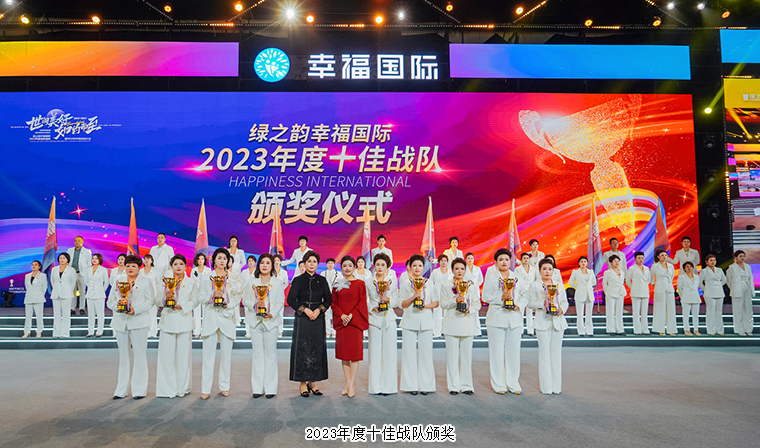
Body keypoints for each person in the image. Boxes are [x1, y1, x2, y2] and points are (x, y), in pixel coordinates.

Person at [198, 248, 243, 399]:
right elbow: (200, 297)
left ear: (228, 261)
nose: (222, 261)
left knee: (226, 356)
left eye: (224, 258)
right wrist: (212, 297)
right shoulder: (206, 277)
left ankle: (224, 386)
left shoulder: (234, 278)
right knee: (207, 357)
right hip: (211, 318)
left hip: (227, 318)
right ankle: (205, 389)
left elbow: (237, 298)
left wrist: (228, 304)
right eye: (219, 258)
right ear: (214, 260)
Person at [107, 255, 152, 399]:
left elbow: (150, 301)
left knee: (139, 356)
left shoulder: (146, 281)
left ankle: (139, 390)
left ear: (139, 268)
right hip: (121, 322)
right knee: (123, 356)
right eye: (128, 265)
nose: (130, 268)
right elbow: (110, 301)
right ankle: (121, 390)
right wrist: (118, 306)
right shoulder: (118, 281)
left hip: (138, 322)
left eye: (133, 266)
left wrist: (135, 309)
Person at [289, 250, 332, 397]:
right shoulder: (298, 280)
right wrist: (305, 310)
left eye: (314, 261)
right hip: (303, 319)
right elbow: (291, 300)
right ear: (304, 263)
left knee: (316, 349)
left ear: (317, 264)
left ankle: (313, 382)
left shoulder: (322, 280)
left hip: (318, 319)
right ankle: (302, 383)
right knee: (302, 349)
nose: (312, 264)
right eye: (309, 261)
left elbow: (328, 299)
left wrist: (319, 310)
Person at [156, 254, 198, 398]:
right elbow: (156, 299)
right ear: (171, 266)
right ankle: (167, 388)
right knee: (167, 356)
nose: (178, 266)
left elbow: (195, 300)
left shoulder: (191, 282)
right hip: (168, 320)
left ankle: (183, 387)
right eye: (175, 264)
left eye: (181, 264)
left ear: (185, 266)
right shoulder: (165, 281)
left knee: (183, 356)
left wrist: (183, 306)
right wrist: (165, 298)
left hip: (184, 320)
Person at [242, 253, 284, 399]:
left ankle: (271, 388)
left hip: (271, 322)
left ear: (272, 265)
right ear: (258, 265)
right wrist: (255, 305)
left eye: (267, 263)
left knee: (271, 355)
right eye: (262, 263)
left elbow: (280, 301)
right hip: (255, 321)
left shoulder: (277, 282)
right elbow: (245, 299)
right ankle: (257, 388)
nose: (264, 265)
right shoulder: (252, 281)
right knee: (257, 355)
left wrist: (272, 313)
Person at [483, 249, 524, 394]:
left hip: (514, 318)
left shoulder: (517, 277)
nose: (504, 262)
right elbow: (485, 296)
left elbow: (525, 294)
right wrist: (501, 297)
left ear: (510, 261)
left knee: (513, 353)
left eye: (506, 259)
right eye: (500, 259)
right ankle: (499, 384)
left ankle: (513, 384)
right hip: (496, 318)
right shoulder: (491, 276)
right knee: (496, 353)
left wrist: (519, 304)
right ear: (496, 262)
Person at [440, 257, 480, 395]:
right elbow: (442, 304)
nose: (459, 271)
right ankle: (453, 386)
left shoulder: (471, 285)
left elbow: (477, 304)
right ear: (452, 270)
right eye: (456, 268)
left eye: (462, 268)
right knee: (452, 357)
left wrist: (470, 310)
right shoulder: (446, 285)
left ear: (465, 270)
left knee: (466, 356)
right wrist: (454, 301)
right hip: (451, 323)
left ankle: (467, 385)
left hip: (467, 323)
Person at [528, 258, 569, 395]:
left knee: (556, 354)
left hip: (558, 321)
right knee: (544, 354)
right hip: (542, 322)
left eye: (550, 269)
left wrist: (561, 309)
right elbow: (529, 303)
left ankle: (556, 387)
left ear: (553, 271)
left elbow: (564, 302)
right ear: (540, 271)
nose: (547, 271)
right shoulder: (535, 285)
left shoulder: (558, 285)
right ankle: (546, 387)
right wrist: (543, 303)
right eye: (544, 269)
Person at [399, 254, 439, 395]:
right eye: (414, 265)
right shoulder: (405, 283)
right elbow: (402, 304)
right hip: (409, 321)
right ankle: (410, 386)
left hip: (426, 322)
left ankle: (426, 386)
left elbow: (436, 302)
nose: (417, 268)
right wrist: (413, 297)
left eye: (420, 265)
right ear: (410, 267)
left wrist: (425, 306)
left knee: (426, 355)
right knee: (409, 354)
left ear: (423, 267)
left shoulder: (429, 283)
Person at [331, 255, 369, 398]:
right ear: (341, 268)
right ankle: (347, 383)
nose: (347, 268)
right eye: (344, 266)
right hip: (342, 323)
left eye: (350, 265)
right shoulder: (337, 284)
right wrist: (342, 315)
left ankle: (351, 383)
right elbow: (334, 303)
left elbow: (362, 302)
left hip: (355, 323)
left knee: (355, 355)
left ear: (354, 267)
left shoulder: (360, 284)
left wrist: (351, 315)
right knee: (345, 355)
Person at [366, 253, 399, 396]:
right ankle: (375, 387)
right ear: (374, 265)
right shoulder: (369, 282)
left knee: (390, 353)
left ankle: (389, 387)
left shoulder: (392, 282)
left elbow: (397, 301)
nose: (380, 267)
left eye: (383, 265)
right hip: (374, 320)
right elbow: (364, 300)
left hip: (389, 319)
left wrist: (388, 300)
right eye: (378, 264)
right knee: (374, 353)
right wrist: (371, 308)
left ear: (387, 267)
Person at [726, 250, 755, 336]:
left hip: (747, 289)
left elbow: (750, 278)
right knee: (738, 310)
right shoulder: (732, 267)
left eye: (743, 256)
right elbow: (728, 280)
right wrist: (734, 288)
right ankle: (739, 329)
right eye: (740, 256)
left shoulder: (748, 267)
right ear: (736, 257)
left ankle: (748, 328)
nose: (742, 258)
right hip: (737, 290)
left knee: (748, 309)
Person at [699, 254, 727, 336]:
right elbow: (699, 282)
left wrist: (718, 285)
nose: (713, 262)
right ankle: (711, 330)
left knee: (719, 311)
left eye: (714, 260)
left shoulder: (719, 270)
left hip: (719, 292)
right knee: (710, 311)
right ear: (706, 262)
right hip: (709, 293)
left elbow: (724, 280)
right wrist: (706, 288)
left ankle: (720, 330)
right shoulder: (704, 271)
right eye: (711, 260)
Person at [569, 256, 597, 337]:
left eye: (585, 261)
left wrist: (588, 287)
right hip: (580, 294)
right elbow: (571, 282)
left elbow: (594, 282)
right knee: (580, 314)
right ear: (579, 263)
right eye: (581, 261)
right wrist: (578, 286)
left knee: (589, 314)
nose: (583, 263)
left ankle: (589, 331)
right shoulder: (575, 272)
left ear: (587, 263)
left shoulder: (590, 272)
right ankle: (581, 331)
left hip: (589, 294)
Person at [651, 249, 677, 336]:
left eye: (665, 255)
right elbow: (651, 278)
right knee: (659, 309)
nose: (664, 257)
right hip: (659, 288)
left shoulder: (670, 266)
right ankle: (660, 329)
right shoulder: (655, 266)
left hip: (669, 288)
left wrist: (668, 284)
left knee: (671, 309)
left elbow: (671, 277)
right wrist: (656, 285)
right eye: (662, 255)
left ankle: (671, 329)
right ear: (658, 256)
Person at [51, 253, 77, 338]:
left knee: (66, 314)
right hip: (56, 294)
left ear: (67, 260)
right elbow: (53, 281)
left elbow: (73, 283)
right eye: (60, 258)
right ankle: (56, 333)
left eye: (64, 258)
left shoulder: (71, 270)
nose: (62, 259)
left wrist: (67, 290)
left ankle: (64, 333)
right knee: (56, 314)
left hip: (67, 294)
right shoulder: (54, 269)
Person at [626, 252, 651, 335]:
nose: (641, 259)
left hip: (645, 291)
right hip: (635, 292)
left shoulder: (646, 268)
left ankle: (645, 329)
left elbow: (648, 279)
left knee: (644, 312)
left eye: (642, 258)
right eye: (639, 258)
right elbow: (628, 280)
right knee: (636, 312)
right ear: (635, 259)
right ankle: (637, 329)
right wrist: (633, 287)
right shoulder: (632, 268)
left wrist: (643, 285)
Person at [67, 235, 92, 316]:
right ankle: (72, 308)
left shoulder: (86, 251)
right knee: (72, 291)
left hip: (82, 274)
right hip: (72, 274)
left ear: (82, 242)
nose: (77, 242)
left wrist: (86, 272)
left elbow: (89, 263)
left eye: (79, 241)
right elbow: (67, 262)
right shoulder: (70, 250)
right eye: (75, 241)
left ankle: (82, 308)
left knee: (82, 292)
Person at [84, 254, 109, 337]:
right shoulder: (88, 270)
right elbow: (86, 281)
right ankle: (90, 331)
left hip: (99, 294)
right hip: (90, 294)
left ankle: (99, 331)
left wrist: (101, 290)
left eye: (96, 258)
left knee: (100, 314)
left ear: (100, 260)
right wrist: (91, 288)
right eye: (93, 258)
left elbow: (106, 282)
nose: (94, 260)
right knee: (90, 314)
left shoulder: (103, 270)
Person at [603, 255, 626, 336]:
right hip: (611, 293)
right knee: (610, 312)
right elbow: (604, 283)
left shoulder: (622, 272)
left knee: (619, 312)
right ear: (611, 263)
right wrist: (606, 292)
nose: (617, 263)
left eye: (618, 261)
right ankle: (611, 329)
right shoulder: (607, 272)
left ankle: (620, 329)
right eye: (615, 261)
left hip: (620, 293)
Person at [429, 254, 451, 338]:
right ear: (439, 262)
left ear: (447, 262)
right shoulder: (435, 272)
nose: (443, 262)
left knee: (447, 315)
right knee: (437, 315)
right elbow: (430, 283)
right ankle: (436, 332)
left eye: (445, 260)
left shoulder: (451, 272)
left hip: (447, 296)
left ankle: (446, 331)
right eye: (442, 260)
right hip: (437, 296)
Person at [515, 252, 537, 336]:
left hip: (531, 292)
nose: (526, 260)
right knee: (520, 311)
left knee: (530, 312)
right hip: (521, 293)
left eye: (527, 258)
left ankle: (530, 330)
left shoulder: (533, 269)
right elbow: (516, 280)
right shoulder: (517, 269)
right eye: (524, 258)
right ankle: (520, 330)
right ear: (521, 259)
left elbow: (535, 280)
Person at [321, 258, 344, 338]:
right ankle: (327, 331)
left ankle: (334, 331)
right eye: (329, 263)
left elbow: (342, 284)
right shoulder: (323, 273)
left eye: (332, 263)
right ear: (326, 264)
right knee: (326, 314)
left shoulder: (339, 274)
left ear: (334, 264)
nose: (330, 264)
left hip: (336, 296)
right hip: (326, 296)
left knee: (335, 314)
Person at [23, 261, 46, 338]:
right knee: (28, 317)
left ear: (39, 267)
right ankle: (27, 332)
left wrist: (39, 295)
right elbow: (27, 287)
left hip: (38, 298)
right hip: (29, 298)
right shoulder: (27, 276)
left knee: (39, 316)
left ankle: (39, 331)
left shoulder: (43, 276)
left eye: (36, 265)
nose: (33, 266)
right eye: (32, 265)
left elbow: (44, 288)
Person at [677, 261, 701, 336]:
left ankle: (696, 329)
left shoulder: (697, 277)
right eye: (687, 267)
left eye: (690, 267)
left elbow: (697, 286)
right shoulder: (681, 277)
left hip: (695, 297)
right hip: (686, 297)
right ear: (684, 268)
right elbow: (679, 288)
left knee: (695, 315)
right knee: (686, 315)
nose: (689, 268)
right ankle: (687, 330)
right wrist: (683, 295)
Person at [140, 254, 160, 338]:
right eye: (145, 259)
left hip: (153, 295)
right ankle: (146, 332)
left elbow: (159, 283)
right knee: (145, 315)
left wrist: (157, 296)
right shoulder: (140, 271)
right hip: (143, 296)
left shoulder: (155, 271)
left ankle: (153, 332)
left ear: (152, 261)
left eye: (148, 259)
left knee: (152, 314)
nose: (146, 260)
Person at [191, 252, 208, 338]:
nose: (200, 260)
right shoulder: (193, 270)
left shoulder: (208, 270)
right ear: (196, 260)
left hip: (205, 294)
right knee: (196, 313)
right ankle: (196, 331)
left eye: (202, 259)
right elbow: (191, 282)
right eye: (199, 259)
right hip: (196, 293)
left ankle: (205, 331)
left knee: (205, 313)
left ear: (204, 260)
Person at [273, 254, 288, 337]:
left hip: (280, 294)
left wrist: (281, 289)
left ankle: (280, 331)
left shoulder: (284, 272)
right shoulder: (270, 272)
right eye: (275, 260)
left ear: (280, 262)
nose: (276, 262)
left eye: (278, 260)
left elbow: (286, 283)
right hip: (272, 294)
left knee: (280, 313)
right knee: (272, 312)